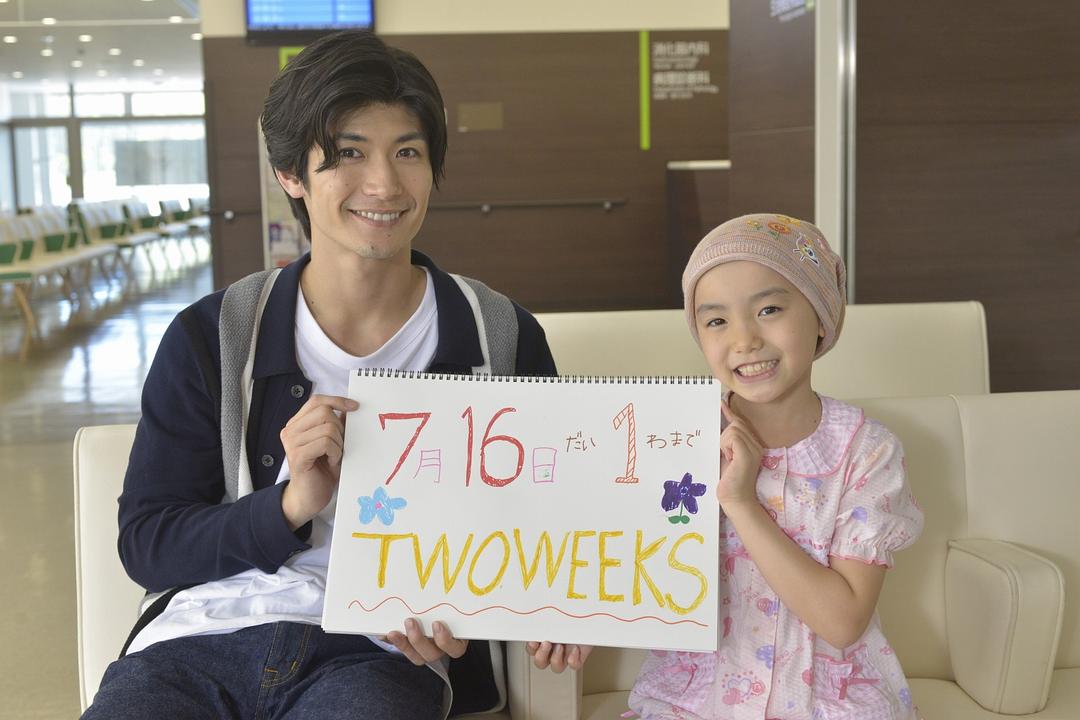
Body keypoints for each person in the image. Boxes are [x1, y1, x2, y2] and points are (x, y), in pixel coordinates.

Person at [83, 30, 556, 720]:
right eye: (349, 153)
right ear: (291, 174)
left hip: (378, 656)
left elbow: (543, 533)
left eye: (408, 152)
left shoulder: (501, 336)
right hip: (195, 646)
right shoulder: (212, 336)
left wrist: (472, 615)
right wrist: (288, 506)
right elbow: (149, 543)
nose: (384, 185)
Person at [623, 214, 925, 718]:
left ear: (821, 317)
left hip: (829, 702)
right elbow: (629, 565)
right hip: (694, 700)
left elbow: (843, 622)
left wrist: (741, 503)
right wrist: (573, 623)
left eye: (768, 310)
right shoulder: (674, 437)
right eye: (716, 321)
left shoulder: (867, 451)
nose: (744, 339)